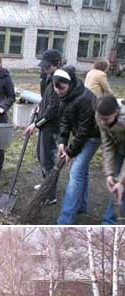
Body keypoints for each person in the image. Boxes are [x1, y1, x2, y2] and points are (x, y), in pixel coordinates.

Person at [53, 66, 100, 224]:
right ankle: (82, 206)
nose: (58, 91)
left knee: (76, 173)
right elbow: (65, 120)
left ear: (71, 84)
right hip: (82, 134)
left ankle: (65, 220)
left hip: (93, 136)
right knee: (83, 171)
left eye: (62, 88)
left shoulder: (85, 99)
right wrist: (62, 142)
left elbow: (84, 131)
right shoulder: (67, 96)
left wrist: (70, 152)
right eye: (56, 87)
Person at [26, 49, 62, 204]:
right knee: (41, 156)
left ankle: (50, 195)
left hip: (51, 125)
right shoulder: (48, 77)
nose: (45, 68)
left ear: (57, 64)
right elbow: (46, 100)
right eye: (44, 65)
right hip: (45, 124)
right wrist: (39, 106)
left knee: (47, 159)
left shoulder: (58, 81)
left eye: (48, 66)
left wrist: (36, 124)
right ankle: (46, 184)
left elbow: (54, 109)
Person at [95, 95, 125, 224]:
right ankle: (109, 221)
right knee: (116, 185)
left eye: (105, 119)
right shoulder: (100, 115)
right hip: (120, 148)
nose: (102, 122)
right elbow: (107, 145)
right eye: (100, 119)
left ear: (116, 113)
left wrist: (122, 181)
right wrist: (109, 174)